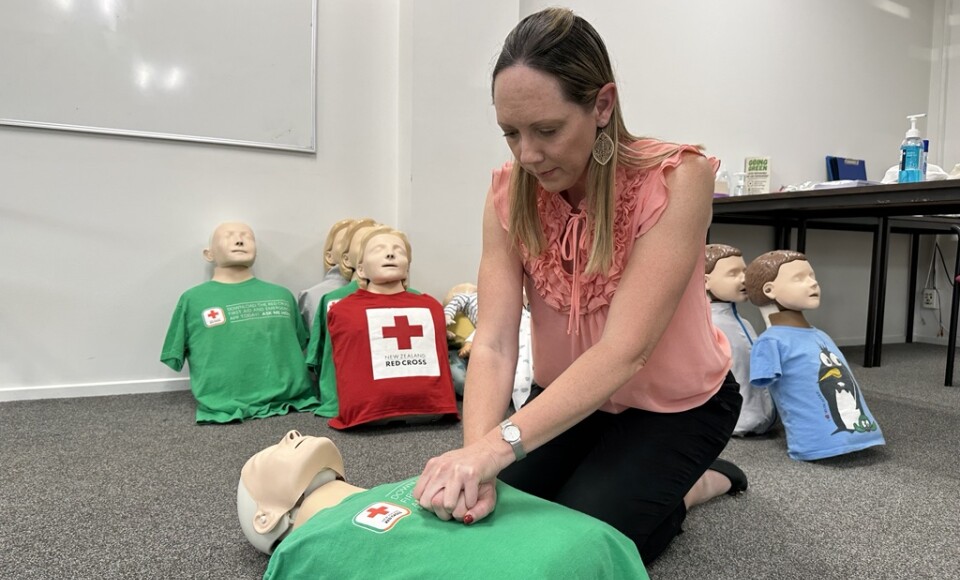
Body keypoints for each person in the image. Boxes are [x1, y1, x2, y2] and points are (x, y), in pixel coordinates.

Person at [413, 8, 746, 564]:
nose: (527, 155)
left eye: (546, 130)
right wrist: (478, 454)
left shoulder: (678, 179)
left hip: (676, 408)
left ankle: (695, 486)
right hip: (568, 400)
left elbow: (626, 351)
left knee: (580, 542)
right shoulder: (507, 192)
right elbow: (493, 342)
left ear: (602, 105)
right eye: (510, 133)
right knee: (494, 516)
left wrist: (501, 447)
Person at [238, 431, 649, 579]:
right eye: (273, 448)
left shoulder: (420, 480)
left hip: (589, 542)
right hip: (594, 548)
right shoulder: (299, 551)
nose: (290, 433)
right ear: (265, 517)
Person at [160, 222, 319, 423]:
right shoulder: (193, 300)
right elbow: (173, 354)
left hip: (294, 403)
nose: (239, 240)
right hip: (223, 405)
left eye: (247, 236)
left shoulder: (282, 295)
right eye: (228, 236)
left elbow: (299, 341)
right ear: (209, 254)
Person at [744, 250, 885, 461]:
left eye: (812, 276)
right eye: (799, 278)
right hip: (815, 445)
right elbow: (760, 393)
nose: (813, 284)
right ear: (769, 290)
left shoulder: (820, 335)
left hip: (864, 432)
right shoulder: (770, 341)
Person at [325, 229, 459, 429]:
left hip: (432, 412)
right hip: (366, 416)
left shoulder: (431, 307)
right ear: (360, 269)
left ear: (407, 267)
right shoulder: (343, 311)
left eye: (399, 251)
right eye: (378, 250)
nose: (390, 254)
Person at [705, 244, 777, 436]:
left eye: (744, 272)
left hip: (759, 418)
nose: (744, 279)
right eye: (732, 273)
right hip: (736, 422)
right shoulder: (708, 325)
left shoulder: (741, 322)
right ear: (705, 282)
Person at [296, 218, 368, 330]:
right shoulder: (314, 296)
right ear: (329, 256)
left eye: (365, 241)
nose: (350, 248)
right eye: (344, 242)